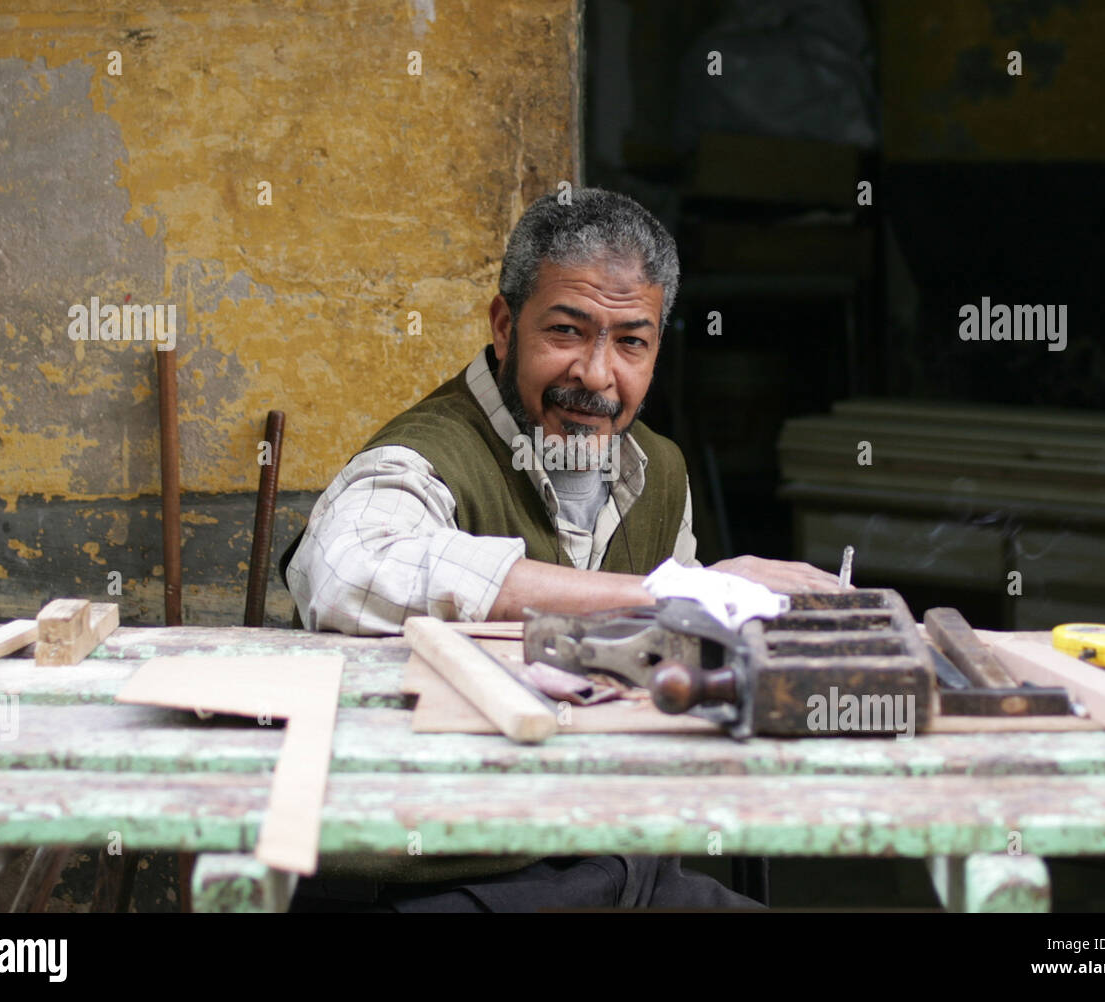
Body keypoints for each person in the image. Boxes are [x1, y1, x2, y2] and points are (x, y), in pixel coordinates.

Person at [284, 188, 841, 911]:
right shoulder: (425, 454)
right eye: (568, 332)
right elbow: (345, 571)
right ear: (505, 325)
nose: (597, 374)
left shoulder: (658, 469)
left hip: (610, 857)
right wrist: (667, 593)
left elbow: (665, 662)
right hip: (439, 875)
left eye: (631, 342)